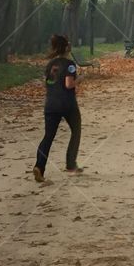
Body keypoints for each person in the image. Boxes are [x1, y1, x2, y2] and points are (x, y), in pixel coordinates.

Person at [33, 35, 83, 182]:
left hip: (51, 104)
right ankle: (71, 164)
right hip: (67, 103)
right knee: (76, 130)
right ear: (67, 47)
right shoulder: (69, 64)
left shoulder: (50, 64)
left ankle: (39, 167)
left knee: (48, 136)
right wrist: (80, 79)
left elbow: (48, 82)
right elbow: (69, 84)